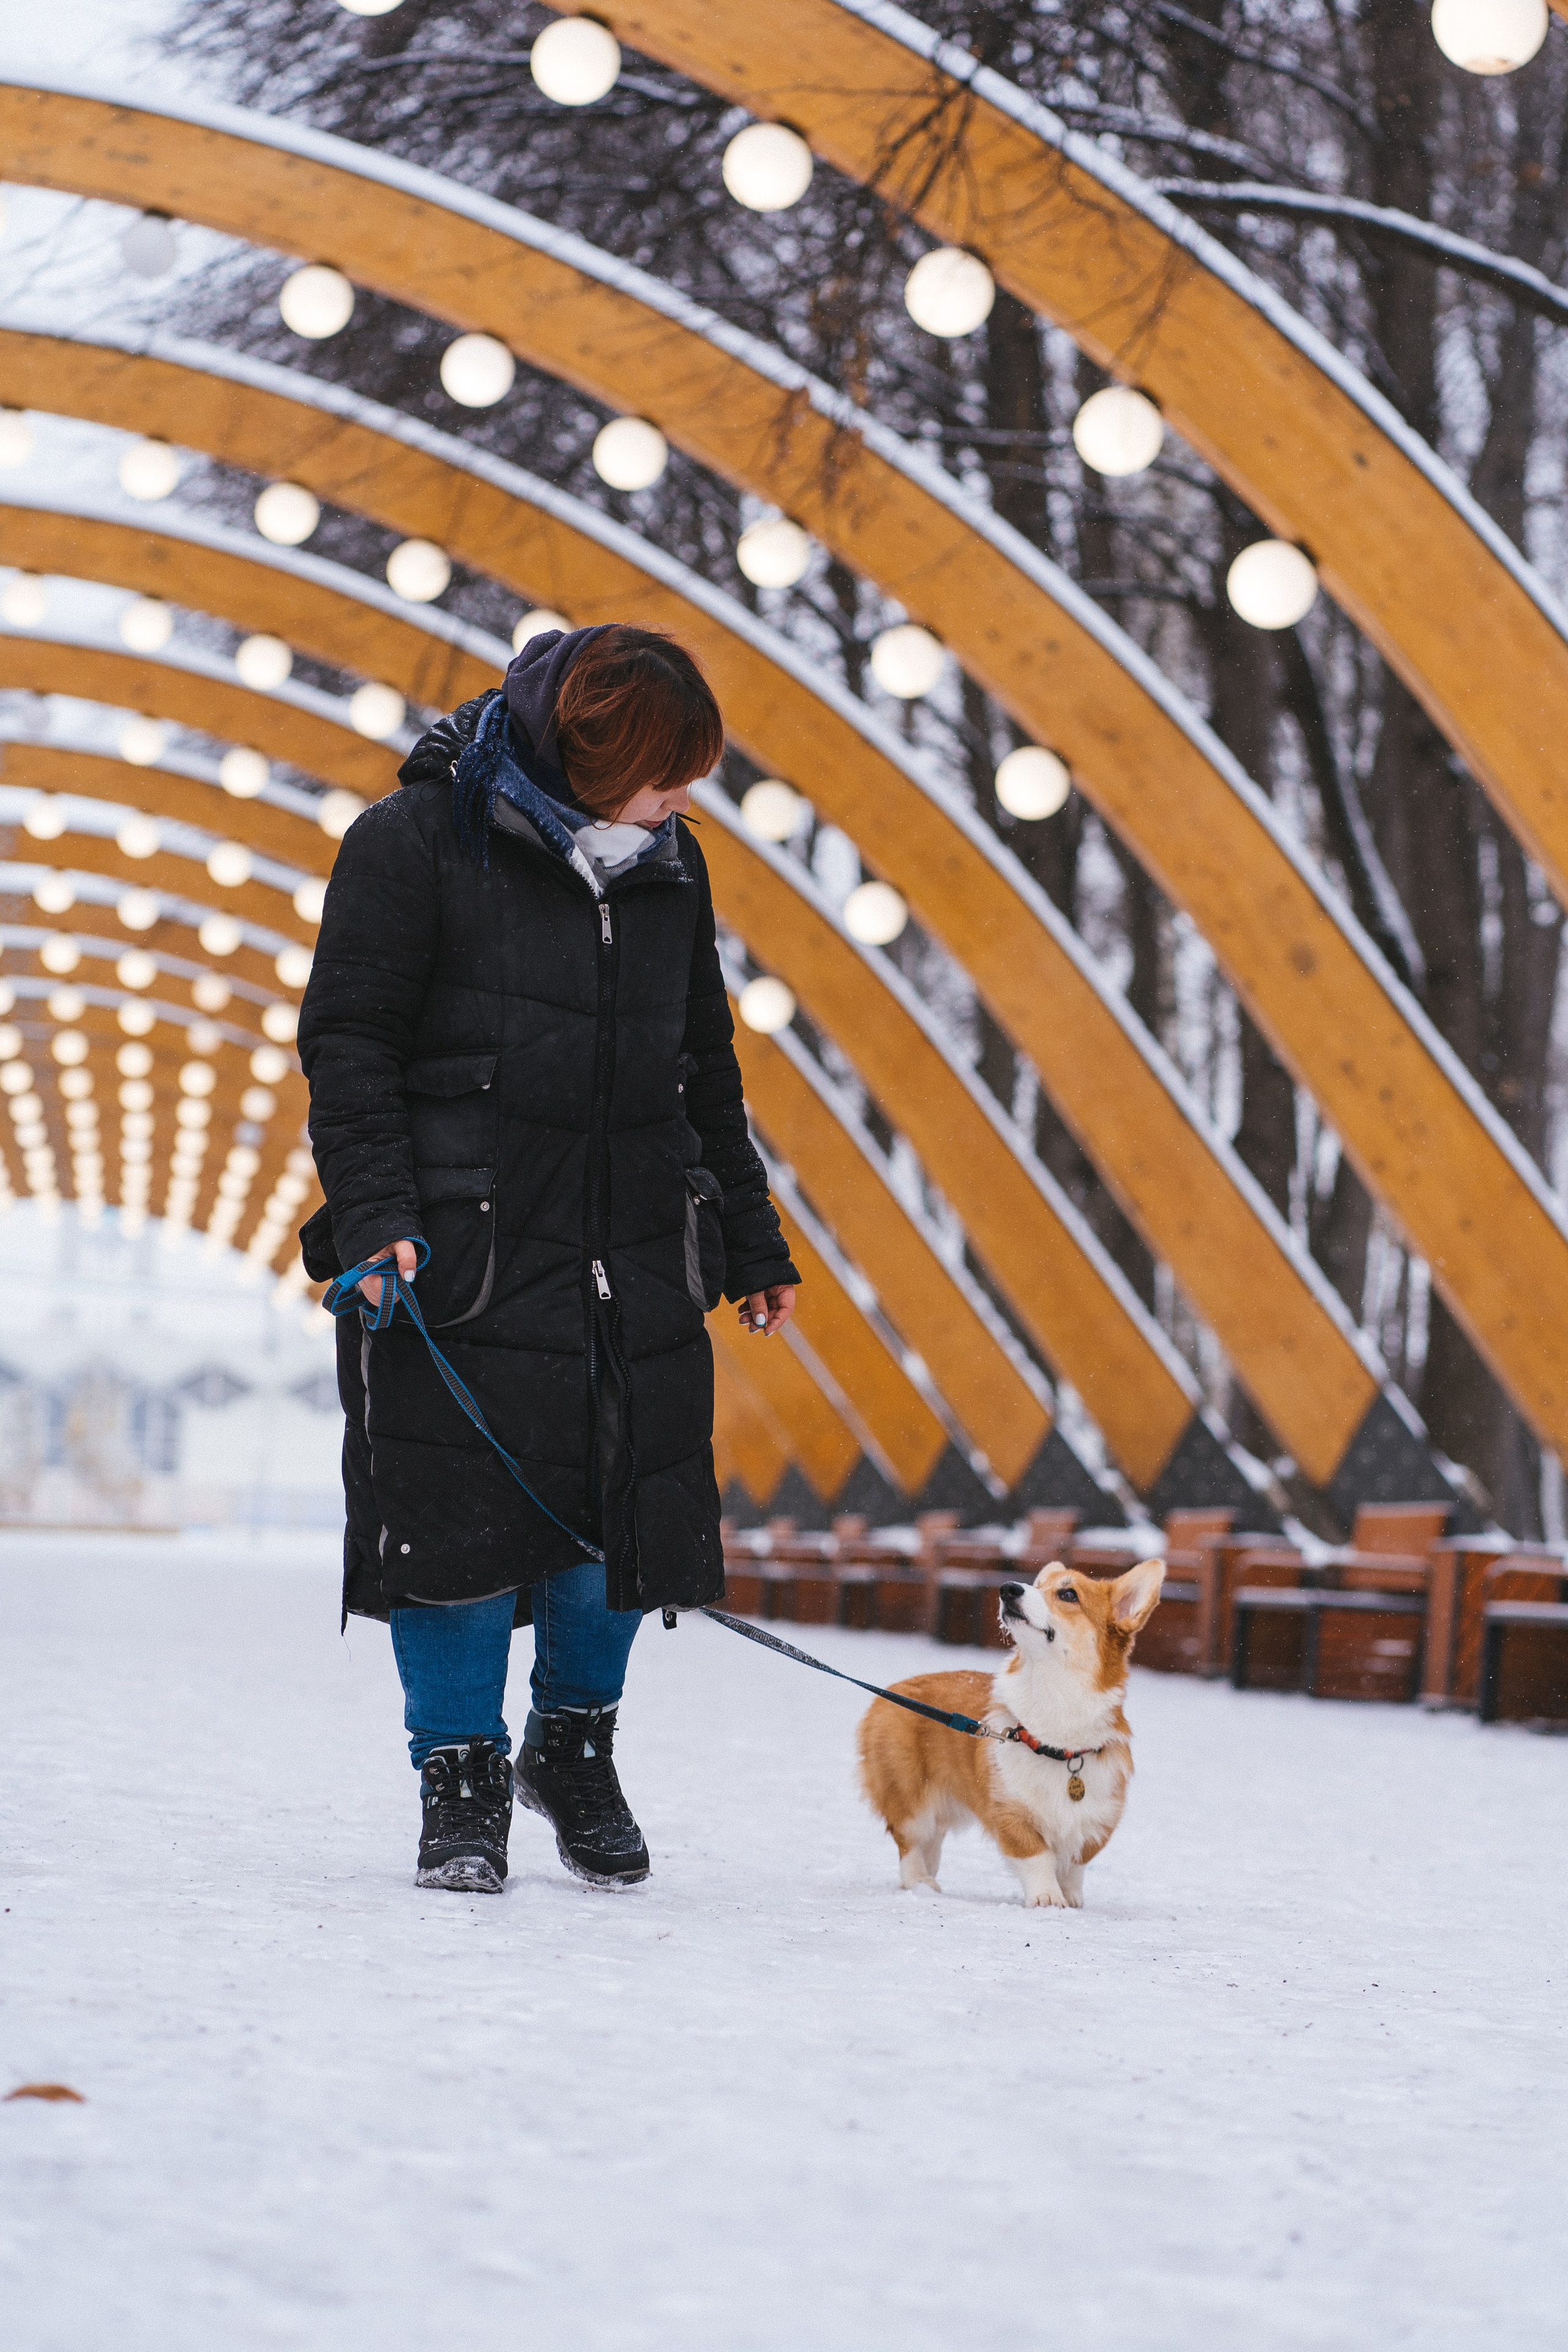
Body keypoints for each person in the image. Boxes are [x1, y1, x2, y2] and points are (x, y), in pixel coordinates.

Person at [298, 625, 799, 1896]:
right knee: (458, 1516)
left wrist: (747, 1237)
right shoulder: (410, 847)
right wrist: (375, 1214)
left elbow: (705, 1070)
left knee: (622, 1513)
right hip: (457, 1247)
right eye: (665, 770)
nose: (683, 799)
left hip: (632, 1243)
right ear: (593, 754)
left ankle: (571, 1746)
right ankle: (458, 1773)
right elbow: (347, 1047)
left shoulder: (669, 871)